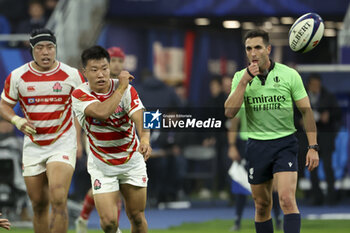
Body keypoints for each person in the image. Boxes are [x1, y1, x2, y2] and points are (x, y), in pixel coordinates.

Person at [224, 29, 319, 233]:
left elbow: (306, 111)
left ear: (268, 49)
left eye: (258, 47)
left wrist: (313, 146)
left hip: (285, 143)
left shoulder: (289, 75)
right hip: (257, 146)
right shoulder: (240, 77)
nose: (253, 53)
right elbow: (230, 113)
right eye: (249, 49)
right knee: (261, 205)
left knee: (286, 199)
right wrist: (243, 82)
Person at [0, 28, 85, 233]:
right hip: (34, 145)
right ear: (32, 50)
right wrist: (17, 121)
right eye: (40, 47)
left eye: (50, 47)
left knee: (58, 197)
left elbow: (81, 108)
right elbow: (4, 105)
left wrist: (79, 140)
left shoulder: (72, 75)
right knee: (38, 204)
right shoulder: (18, 76)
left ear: (56, 49)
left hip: (62, 142)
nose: (46, 52)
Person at [72, 45, 151, 233]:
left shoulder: (128, 90)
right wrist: (122, 87)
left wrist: (145, 138)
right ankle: (83, 219)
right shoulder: (79, 94)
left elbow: (144, 116)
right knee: (108, 223)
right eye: (94, 70)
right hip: (102, 164)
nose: (100, 74)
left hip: (131, 161)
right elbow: (102, 112)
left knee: (137, 218)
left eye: (104, 69)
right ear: (85, 73)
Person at [75, 46, 126, 233]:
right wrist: (78, 141)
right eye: (114, 61)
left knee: (109, 186)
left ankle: (83, 218)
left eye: (121, 60)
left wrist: (144, 137)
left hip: (120, 141)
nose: (117, 64)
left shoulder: (125, 84)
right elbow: (79, 114)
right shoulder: (89, 87)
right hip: (95, 140)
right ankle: (114, 227)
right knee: (111, 184)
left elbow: (139, 111)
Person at [299, 73, 341, 205]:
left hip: (325, 137)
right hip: (308, 138)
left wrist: (328, 115)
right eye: (314, 84)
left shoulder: (328, 96)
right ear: (309, 85)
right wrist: (299, 121)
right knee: (312, 168)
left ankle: (332, 197)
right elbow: (292, 114)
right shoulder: (300, 95)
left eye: (318, 84)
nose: (316, 87)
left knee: (328, 167)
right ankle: (316, 197)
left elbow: (337, 113)